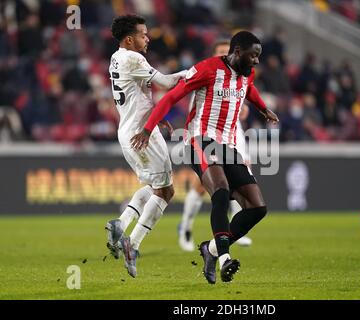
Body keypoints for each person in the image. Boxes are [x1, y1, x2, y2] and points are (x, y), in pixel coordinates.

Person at [130, 31, 279, 284]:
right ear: (238, 52)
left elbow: (248, 89)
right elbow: (171, 96)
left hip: (228, 143)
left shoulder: (247, 74)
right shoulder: (206, 69)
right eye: (253, 56)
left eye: (258, 56)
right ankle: (223, 259)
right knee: (220, 191)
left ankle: (209, 250)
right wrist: (147, 128)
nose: (256, 62)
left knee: (257, 208)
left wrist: (263, 108)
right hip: (199, 138)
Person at [104, 14, 187, 278]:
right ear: (129, 39)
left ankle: (122, 223)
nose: (148, 38)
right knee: (166, 192)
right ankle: (134, 243)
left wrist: (157, 117)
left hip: (128, 130)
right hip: (143, 134)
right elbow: (166, 82)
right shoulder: (133, 57)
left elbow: (136, 94)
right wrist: (192, 73)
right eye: (143, 34)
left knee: (154, 188)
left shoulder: (116, 58)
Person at [178, 40, 253, 252]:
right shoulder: (207, 74)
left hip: (231, 131)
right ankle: (185, 227)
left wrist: (245, 107)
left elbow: (242, 101)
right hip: (207, 132)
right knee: (202, 185)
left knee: (239, 175)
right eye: (220, 53)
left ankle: (233, 231)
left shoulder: (239, 75)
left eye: (226, 52)